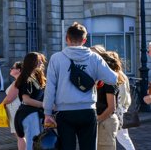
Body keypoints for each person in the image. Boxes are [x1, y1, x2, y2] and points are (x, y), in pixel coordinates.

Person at [43, 22, 118, 150]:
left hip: (64, 112)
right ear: (84, 40)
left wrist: (47, 113)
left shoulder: (56, 58)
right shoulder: (94, 58)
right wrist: (96, 77)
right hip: (87, 110)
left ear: (67, 38)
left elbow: (50, 88)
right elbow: (113, 79)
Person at [13, 52, 45, 150]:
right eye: (39, 61)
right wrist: (44, 105)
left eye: (41, 61)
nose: (41, 63)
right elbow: (26, 100)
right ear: (32, 62)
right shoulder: (26, 78)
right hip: (29, 114)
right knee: (32, 144)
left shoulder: (34, 77)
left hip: (34, 114)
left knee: (36, 144)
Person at [93, 48, 121, 150]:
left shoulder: (109, 80)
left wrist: (97, 120)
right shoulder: (98, 79)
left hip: (105, 121)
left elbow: (111, 107)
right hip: (101, 120)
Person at [107, 52, 135, 150]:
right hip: (121, 109)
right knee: (122, 137)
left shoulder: (113, 76)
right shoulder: (122, 75)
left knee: (122, 137)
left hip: (117, 111)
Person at [0, 61, 25, 150]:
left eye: (13, 68)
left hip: (16, 109)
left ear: (19, 70)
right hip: (16, 109)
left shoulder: (18, 81)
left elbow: (10, 98)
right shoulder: (20, 80)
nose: (11, 69)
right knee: (20, 135)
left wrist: (1, 104)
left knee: (20, 135)